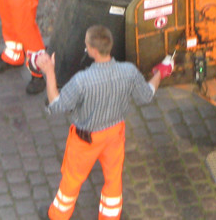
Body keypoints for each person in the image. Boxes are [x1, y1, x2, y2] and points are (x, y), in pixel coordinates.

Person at [34, 25, 173, 220]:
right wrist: (161, 72)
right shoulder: (129, 71)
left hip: (85, 139)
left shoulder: (82, 81)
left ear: (92, 50)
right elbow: (146, 95)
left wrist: (49, 72)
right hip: (115, 134)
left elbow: (57, 105)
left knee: (72, 180)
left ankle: (57, 216)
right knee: (114, 179)